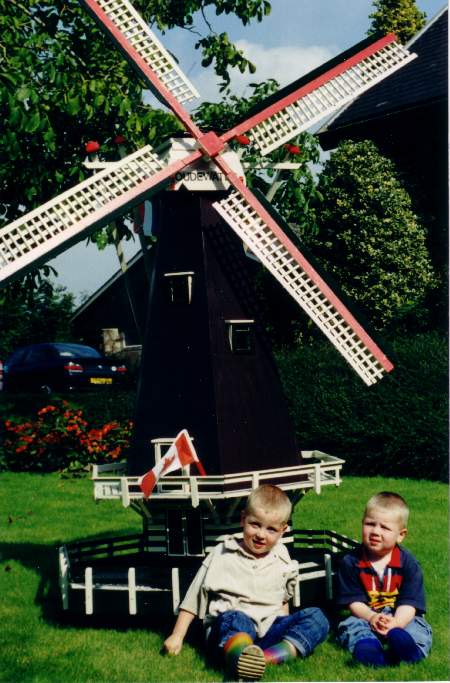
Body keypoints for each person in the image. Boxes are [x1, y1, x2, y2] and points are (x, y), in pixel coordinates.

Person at [164, 484, 329, 680]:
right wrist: (177, 635)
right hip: (230, 633)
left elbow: (283, 599)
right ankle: (240, 657)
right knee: (236, 618)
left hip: (267, 632)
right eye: (255, 524)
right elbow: (193, 598)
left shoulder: (282, 557)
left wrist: (284, 623)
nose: (261, 534)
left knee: (317, 617)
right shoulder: (222, 553)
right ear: (243, 519)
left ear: (283, 531)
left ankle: (266, 658)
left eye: (271, 529)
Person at [336, 491, 432, 667]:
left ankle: (412, 650)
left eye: (385, 528)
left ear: (401, 535)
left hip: (400, 614)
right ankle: (369, 650)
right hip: (366, 614)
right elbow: (353, 602)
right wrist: (372, 617)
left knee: (417, 626)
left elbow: (410, 603)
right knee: (351, 626)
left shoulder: (408, 563)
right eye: (370, 524)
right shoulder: (351, 562)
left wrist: (397, 623)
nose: (375, 531)